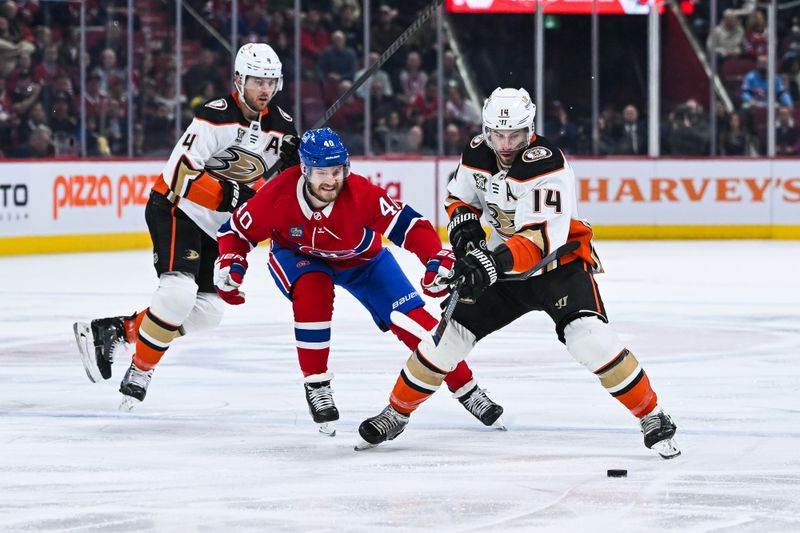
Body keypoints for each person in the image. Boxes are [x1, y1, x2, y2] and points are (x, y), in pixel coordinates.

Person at [357, 87, 680, 460]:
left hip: (557, 267)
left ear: (531, 130)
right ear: (486, 129)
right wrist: (463, 223)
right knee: (446, 340)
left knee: (588, 338)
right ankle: (396, 413)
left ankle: (651, 414)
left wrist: (489, 263)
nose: (506, 144)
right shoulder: (478, 151)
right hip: (503, 270)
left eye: (515, 135)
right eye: (498, 134)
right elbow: (458, 197)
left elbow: (541, 239)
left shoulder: (548, 166)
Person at [214, 127, 504, 436]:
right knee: (314, 291)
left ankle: (468, 390)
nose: (331, 180)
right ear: (304, 169)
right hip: (300, 258)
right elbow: (235, 231)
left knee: (418, 325)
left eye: (337, 171)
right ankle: (317, 384)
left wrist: (434, 256)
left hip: (364, 262)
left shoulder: (361, 194)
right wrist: (232, 261)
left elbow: (412, 225)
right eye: (322, 172)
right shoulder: (277, 195)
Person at [73, 43, 301, 410]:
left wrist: (296, 166)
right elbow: (180, 174)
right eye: (258, 81)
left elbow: (270, 190)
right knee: (177, 294)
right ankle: (141, 369)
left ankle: (117, 331)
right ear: (239, 80)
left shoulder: (282, 126)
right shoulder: (215, 115)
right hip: (176, 209)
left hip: (215, 228)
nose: (265, 90)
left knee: (209, 312)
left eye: (271, 82)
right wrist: (232, 196)